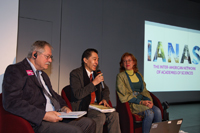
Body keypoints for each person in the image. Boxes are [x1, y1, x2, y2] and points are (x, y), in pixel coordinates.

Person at [2, 41, 95, 133]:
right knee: (75, 131)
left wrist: (63, 107)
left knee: (89, 123)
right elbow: (12, 101)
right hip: (37, 122)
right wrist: (44, 115)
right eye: (47, 57)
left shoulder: (43, 75)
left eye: (51, 57)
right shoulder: (16, 70)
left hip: (56, 116)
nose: (50, 60)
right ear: (35, 55)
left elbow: (52, 94)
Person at [69, 48, 121, 133]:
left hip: (97, 106)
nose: (96, 62)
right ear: (85, 60)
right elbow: (77, 94)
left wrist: (105, 99)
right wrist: (93, 83)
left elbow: (105, 89)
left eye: (97, 60)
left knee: (115, 115)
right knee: (100, 116)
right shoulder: (75, 74)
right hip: (83, 106)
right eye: (94, 59)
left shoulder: (97, 73)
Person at [116, 52, 162, 133]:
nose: (127, 63)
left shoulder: (139, 75)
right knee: (149, 113)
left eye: (129, 60)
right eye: (125, 61)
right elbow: (124, 95)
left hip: (143, 101)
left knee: (157, 111)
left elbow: (144, 91)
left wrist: (148, 101)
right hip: (132, 104)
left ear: (134, 62)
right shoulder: (120, 76)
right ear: (122, 64)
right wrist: (141, 102)